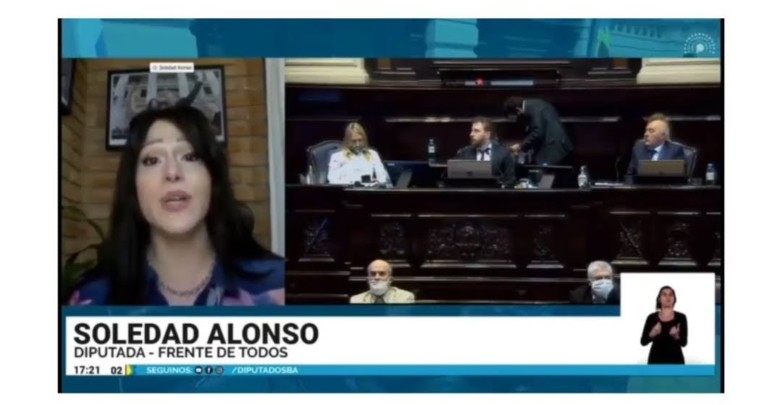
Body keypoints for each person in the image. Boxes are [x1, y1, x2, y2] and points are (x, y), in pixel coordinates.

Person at [68, 106, 285, 306]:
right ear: (133, 187)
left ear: (213, 179)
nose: (172, 172)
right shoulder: (90, 300)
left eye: (190, 156)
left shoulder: (280, 286)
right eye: (152, 160)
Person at [503, 97, 573, 165]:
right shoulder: (534, 105)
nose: (517, 119)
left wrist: (520, 146)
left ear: (518, 110)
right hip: (557, 146)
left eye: (516, 116)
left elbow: (538, 132)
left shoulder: (533, 108)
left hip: (553, 148)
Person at [454, 117, 516, 186]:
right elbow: (458, 179)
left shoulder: (503, 153)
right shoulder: (465, 152)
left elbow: (510, 180)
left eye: (476, 131)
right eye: (471, 130)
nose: (471, 134)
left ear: (487, 134)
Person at [626, 113, 686, 178]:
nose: (646, 134)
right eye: (646, 130)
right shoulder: (638, 148)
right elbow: (630, 175)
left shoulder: (675, 150)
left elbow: (679, 178)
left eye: (651, 131)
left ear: (662, 135)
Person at [640, 286, 688, 364]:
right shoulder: (651, 317)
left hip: (676, 361)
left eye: (671, 294)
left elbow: (684, 343)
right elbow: (643, 342)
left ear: (674, 299)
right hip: (655, 361)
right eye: (664, 294)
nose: (668, 297)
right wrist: (652, 333)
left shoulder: (681, 317)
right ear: (659, 299)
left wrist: (676, 336)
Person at [350, 260, 414, 304]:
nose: (377, 277)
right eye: (373, 274)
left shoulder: (405, 298)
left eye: (382, 274)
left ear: (390, 279)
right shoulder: (356, 300)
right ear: (368, 279)